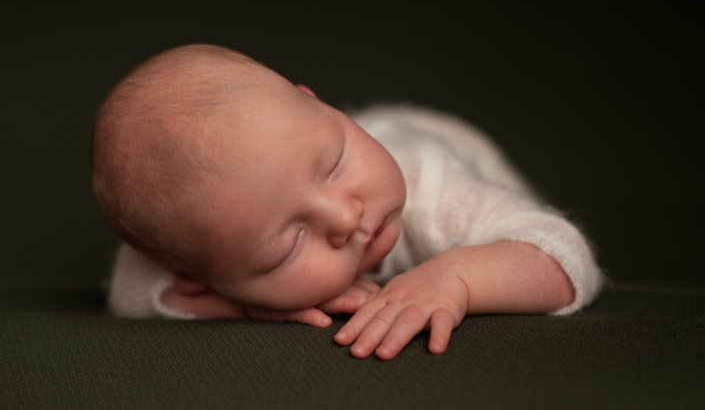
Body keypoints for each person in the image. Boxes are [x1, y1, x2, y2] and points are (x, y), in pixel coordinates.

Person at [92, 44, 603, 360]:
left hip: (431, 136)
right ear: (204, 277)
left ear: (317, 102)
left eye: (334, 164)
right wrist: (241, 303)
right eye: (289, 245)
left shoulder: (430, 185)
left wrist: (456, 278)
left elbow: (563, 255)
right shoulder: (211, 250)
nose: (345, 216)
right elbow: (131, 288)